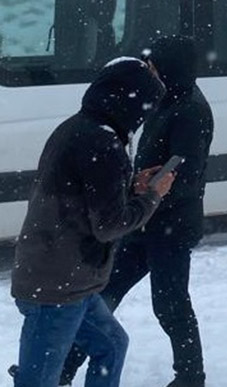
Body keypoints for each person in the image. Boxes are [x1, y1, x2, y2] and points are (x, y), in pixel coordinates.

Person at [9, 58, 174, 387]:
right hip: (57, 286)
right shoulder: (103, 143)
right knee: (38, 381)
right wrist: (153, 195)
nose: (145, 117)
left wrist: (131, 187)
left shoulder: (80, 127)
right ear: (130, 102)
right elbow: (110, 225)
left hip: (67, 277)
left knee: (111, 346)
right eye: (146, 107)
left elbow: (84, 196)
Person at [61, 37, 214, 387]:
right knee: (103, 295)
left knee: (170, 304)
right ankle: (64, 369)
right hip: (144, 219)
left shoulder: (190, 110)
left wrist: (146, 188)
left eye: (154, 65)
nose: (150, 71)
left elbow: (186, 175)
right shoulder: (168, 97)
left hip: (170, 225)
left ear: (171, 68)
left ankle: (191, 377)